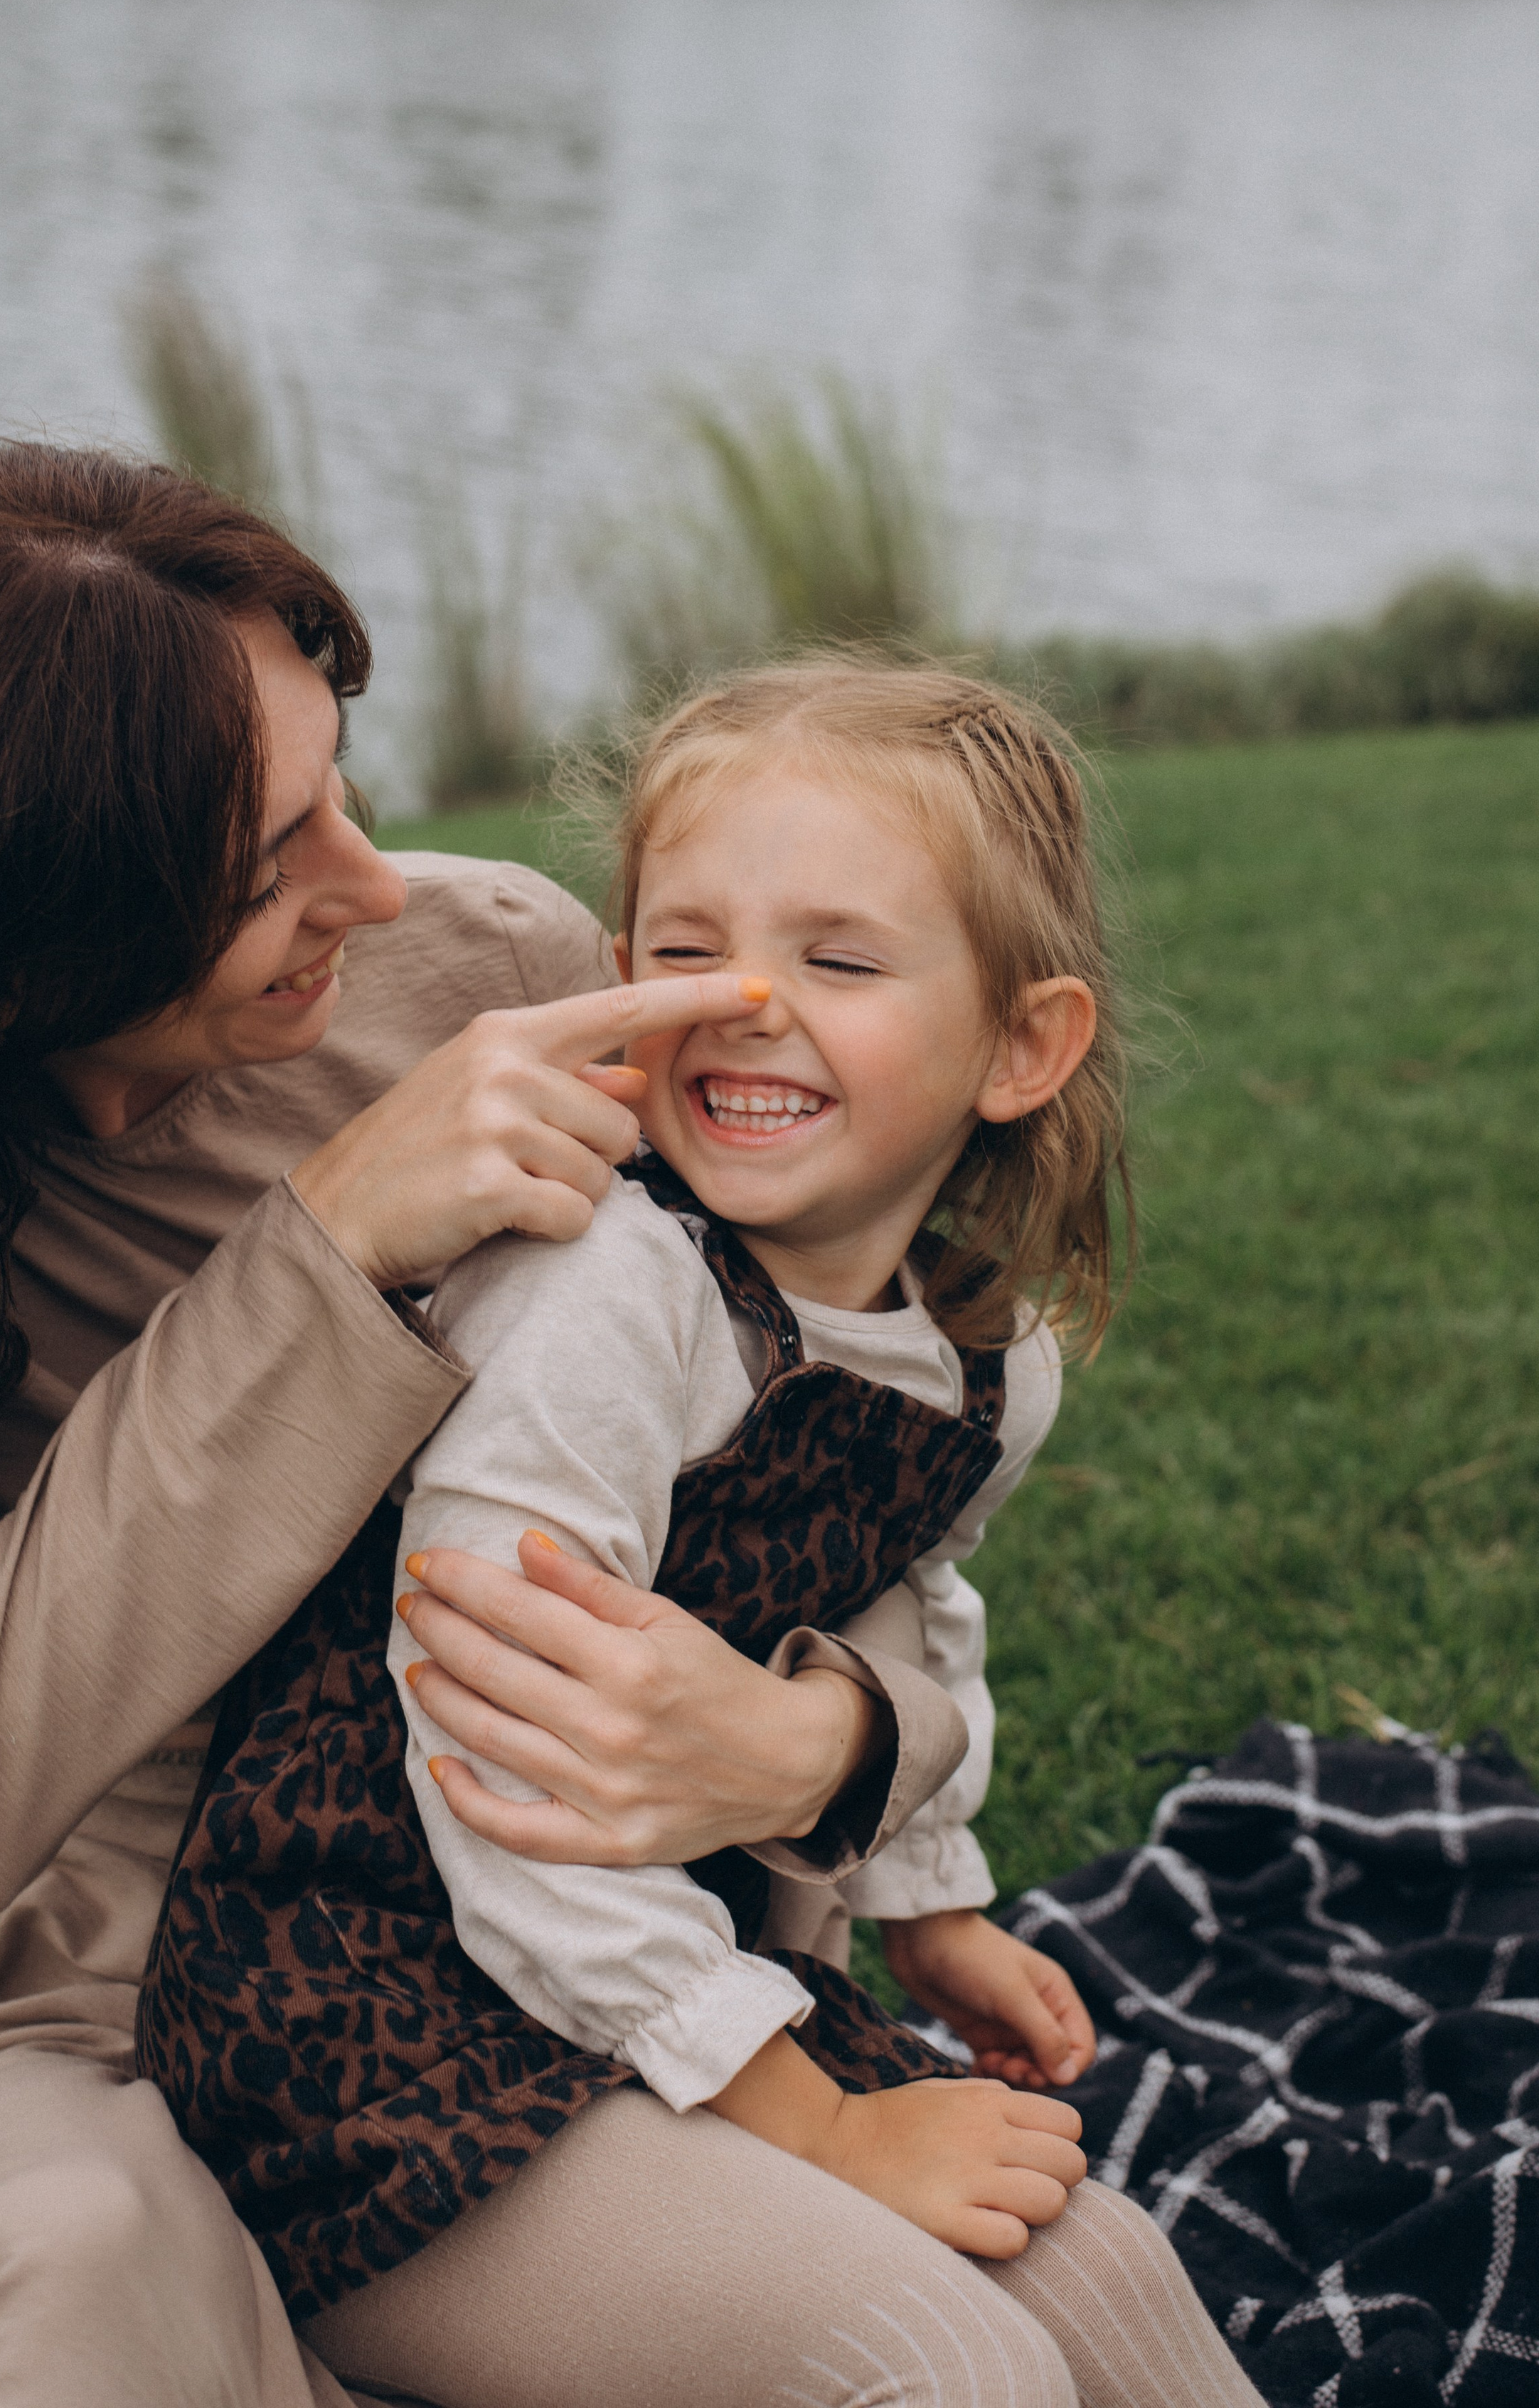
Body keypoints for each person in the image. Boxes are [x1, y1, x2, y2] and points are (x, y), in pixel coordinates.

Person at [0, 444, 984, 2408]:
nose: (374, 887)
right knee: (67, 2265)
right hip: (134, 2015)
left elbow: (839, 1448)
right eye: (265, 869)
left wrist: (830, 1744)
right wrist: (324, 1252)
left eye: (341, 783)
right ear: (5, 963)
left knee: (1027, 2319)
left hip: (603, 1947)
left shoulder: (492, 971)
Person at [141, 661, 1267, 2408]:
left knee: (1105, 2270)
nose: (745, 1004)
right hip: (368, 2045)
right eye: (688, 949)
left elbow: (906, 1597)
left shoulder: (984, 1358)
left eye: (838, 960)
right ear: (619, 983)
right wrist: (817, 2124)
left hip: (655, 1977)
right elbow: (498, 1770)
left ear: (1020, 1045)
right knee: (945, 2363)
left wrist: (930, 1904)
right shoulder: (603, 1294)